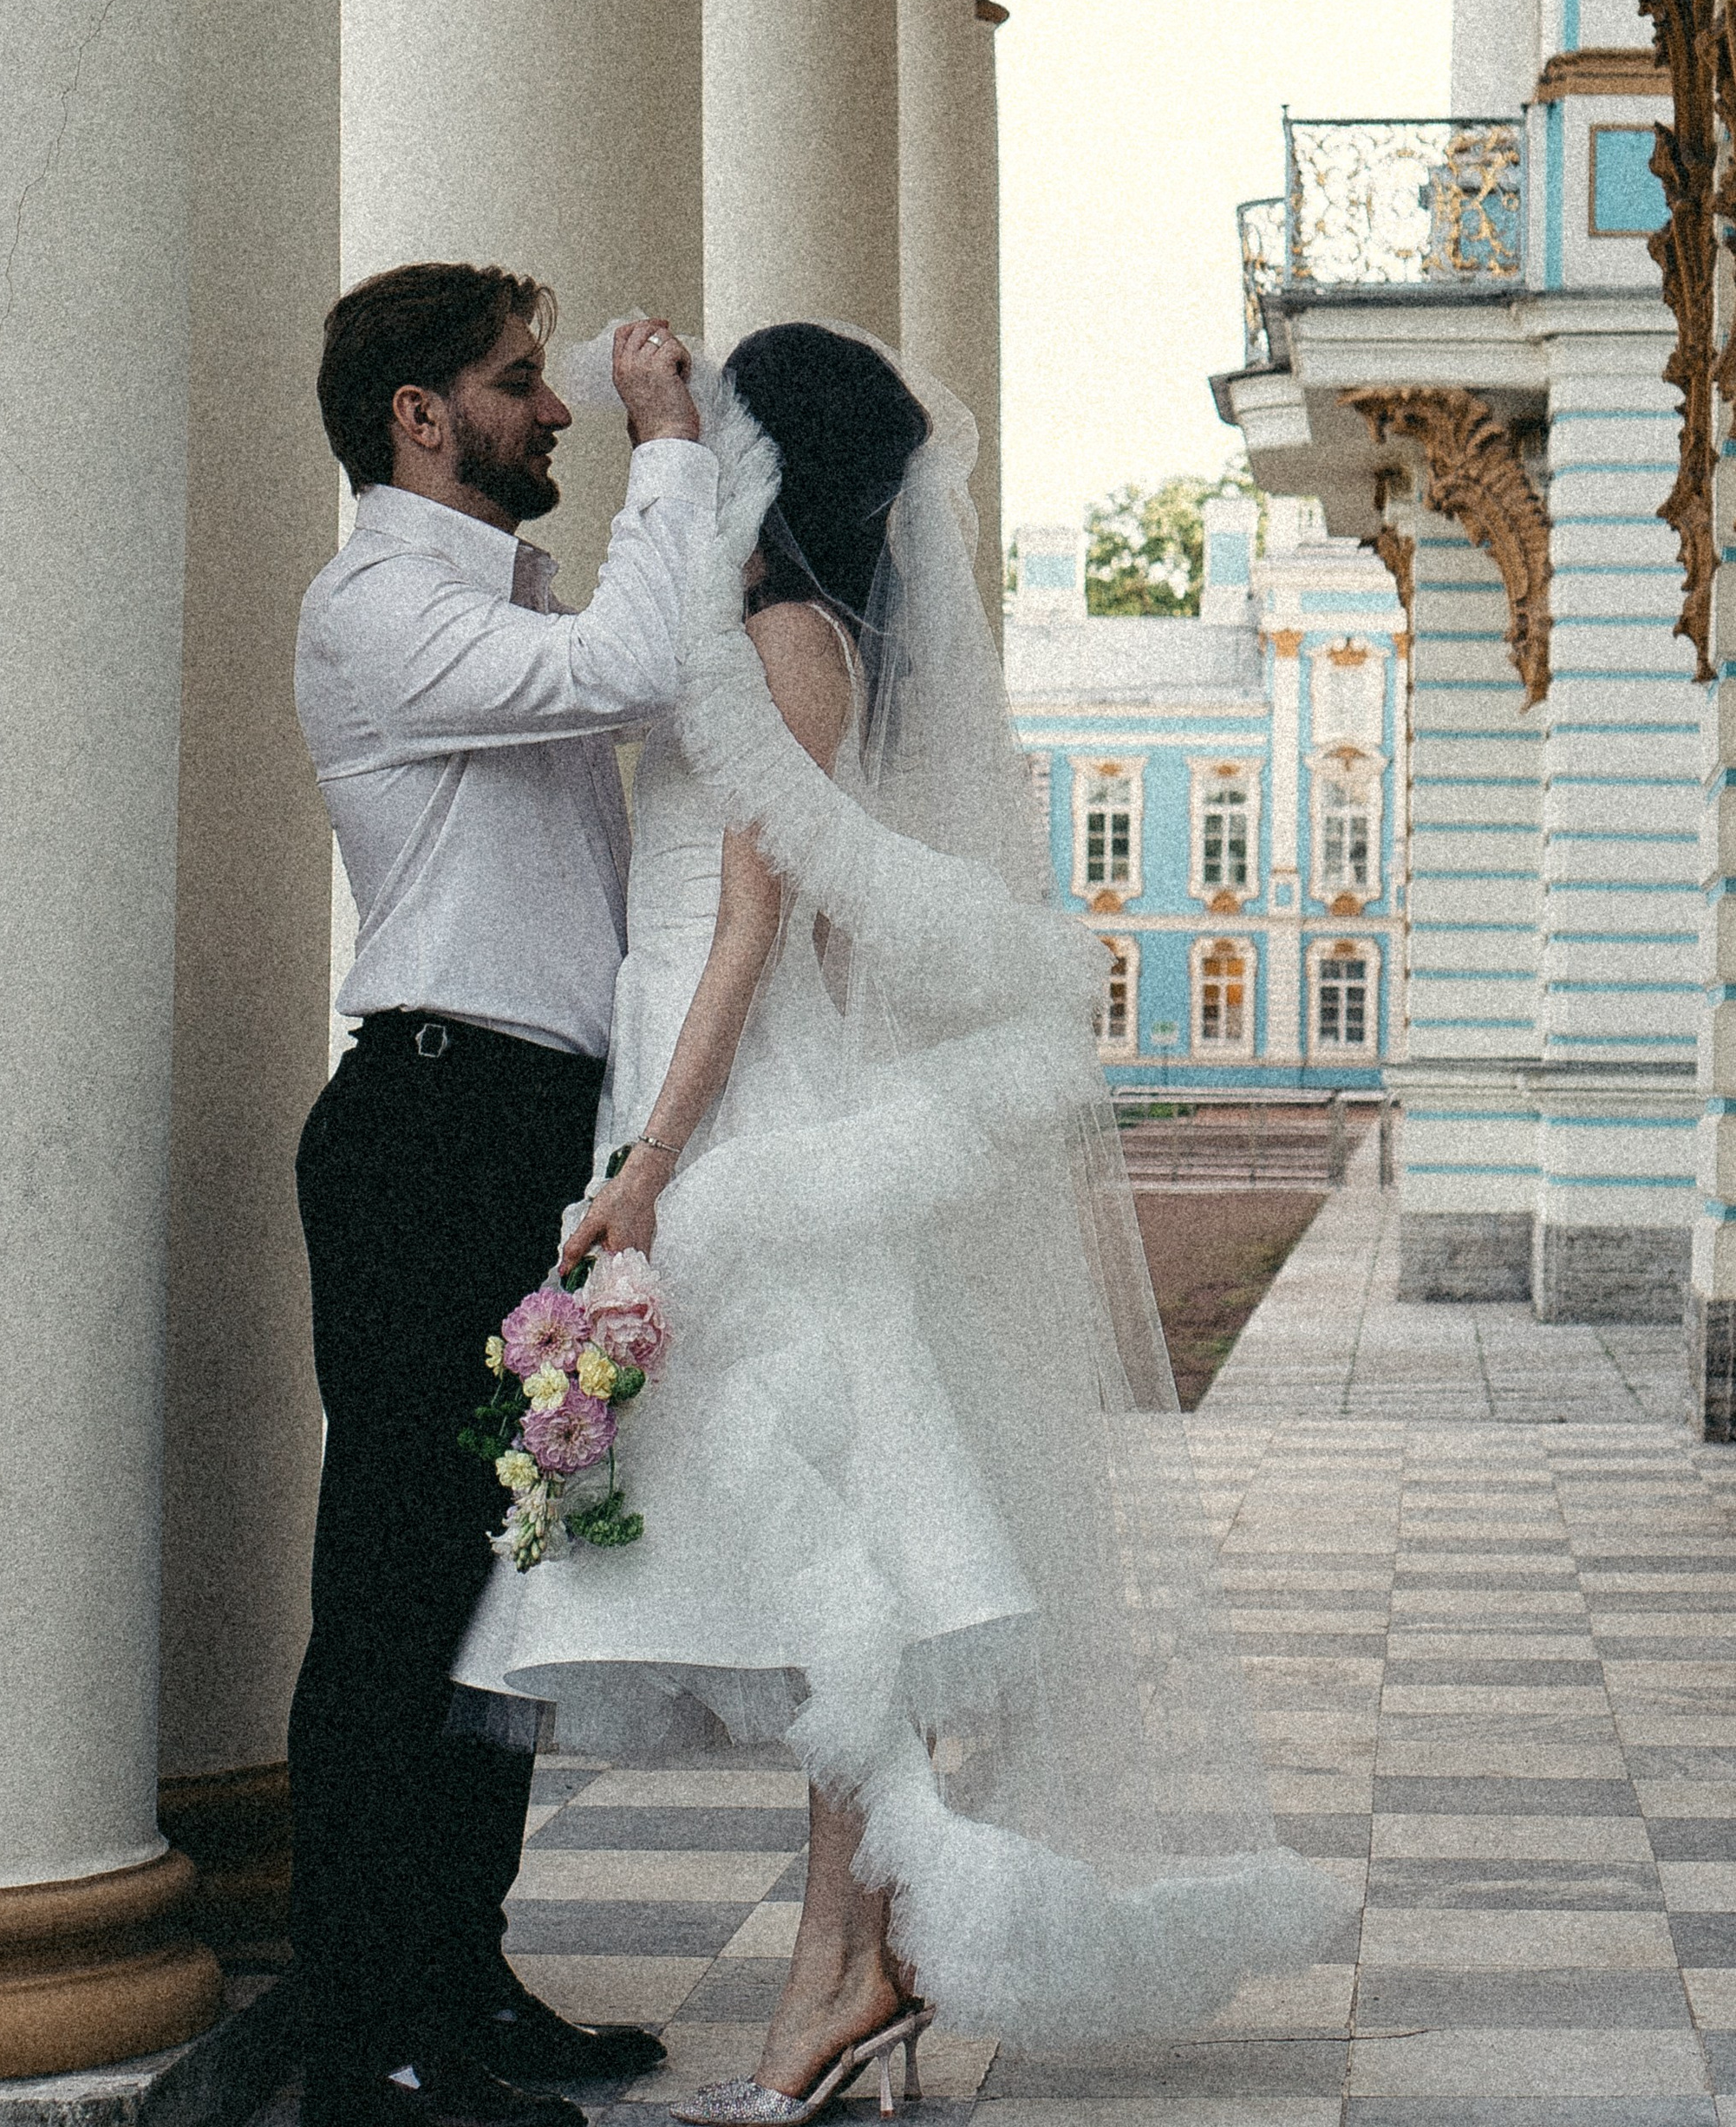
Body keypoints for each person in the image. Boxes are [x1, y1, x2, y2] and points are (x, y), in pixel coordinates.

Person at [454, 323, 1343, 2117]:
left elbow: (752, 929)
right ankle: (858, 1960)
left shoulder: (790, 644)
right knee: (827, 1556)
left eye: (729, 432)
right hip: (703, 1075)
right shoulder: (762, 636)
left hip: (733, 1103)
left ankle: (841, 1968)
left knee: (858, 1546)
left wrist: (655, 1162)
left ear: (777, 464)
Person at [290, 262, 716, 2127]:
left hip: (526, 1130)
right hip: (430, 1125)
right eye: (518, 381)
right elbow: (634, 668)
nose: (554, 412)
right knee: (396, 1594)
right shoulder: (380, 605)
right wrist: (672, 445)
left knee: (497, 1592)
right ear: (418, 416)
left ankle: (457, 1982)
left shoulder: (501, 595)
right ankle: (364, 2036)